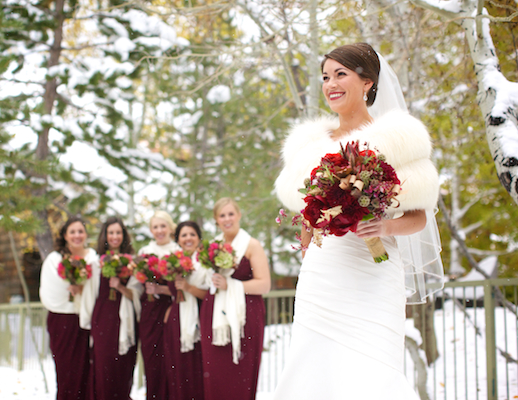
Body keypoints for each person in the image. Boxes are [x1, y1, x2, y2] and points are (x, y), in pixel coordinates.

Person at [273, 43, 443, 399]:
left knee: (374, 368)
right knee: (312, 363)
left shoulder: (398, 141)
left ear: (367, 82)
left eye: (340, 74)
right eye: (325, 76)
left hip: (374, 268)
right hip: (323, 273)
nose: (330, 83)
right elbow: (307, 214)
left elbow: (419, 217)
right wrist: (310, 233)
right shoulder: (309, 147)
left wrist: (384, 226)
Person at [199, 198, 271, 400]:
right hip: (214, 317)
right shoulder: (213, 246)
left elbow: (264, 284)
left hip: (244, 316)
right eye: (222, 215)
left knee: (241, 372)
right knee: (215, 375)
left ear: (239, 215)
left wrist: (230, 285)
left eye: (231, 214)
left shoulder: (251, 245)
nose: (227, 219)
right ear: (216, 220)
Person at [80, 217, 142, 400]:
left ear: (124, 235)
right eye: (111, 233)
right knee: (104, 368)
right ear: (105, 236)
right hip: (103, 321)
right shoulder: (96, 263)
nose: (115, 236)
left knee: (123, 368)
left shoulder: (132, 263)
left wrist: (121, 287)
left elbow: (137, 294)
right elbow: (90, 294)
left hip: (126, 321)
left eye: (118, 232)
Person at [39, 216, 100, 400]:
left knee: (87, 370)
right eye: (72, 232)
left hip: (89, 319)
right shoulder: (55, 259)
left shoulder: (93, 258)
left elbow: (97, 285)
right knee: (67, 371)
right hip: (63, 320)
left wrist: (84, 288)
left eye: (80, 231)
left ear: (86, 234)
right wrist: (73, 288)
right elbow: (52, 287)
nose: (77, 235)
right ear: (65, 235)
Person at [138, 211, 180, 400]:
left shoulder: (178, 252)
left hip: (172, 309)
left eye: (163, 226)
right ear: (151, 230)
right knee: (152, 362)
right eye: (155, 227)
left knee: (172, 360)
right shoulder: (144, 253)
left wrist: (162, 290)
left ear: (171, 228)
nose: (160, 230)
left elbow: (182, 287)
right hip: (149, 312)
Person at [163, 221, 208, 400]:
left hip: (201, 319)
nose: (188, 238)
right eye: (184, 235)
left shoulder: (205, 261)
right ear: (178, 239)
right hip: (177, 320)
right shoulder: (172, 261)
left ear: (198, 238)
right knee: (178, 369)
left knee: (198, 368)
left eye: (192, 234)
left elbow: (209, 295)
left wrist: (188, 287)